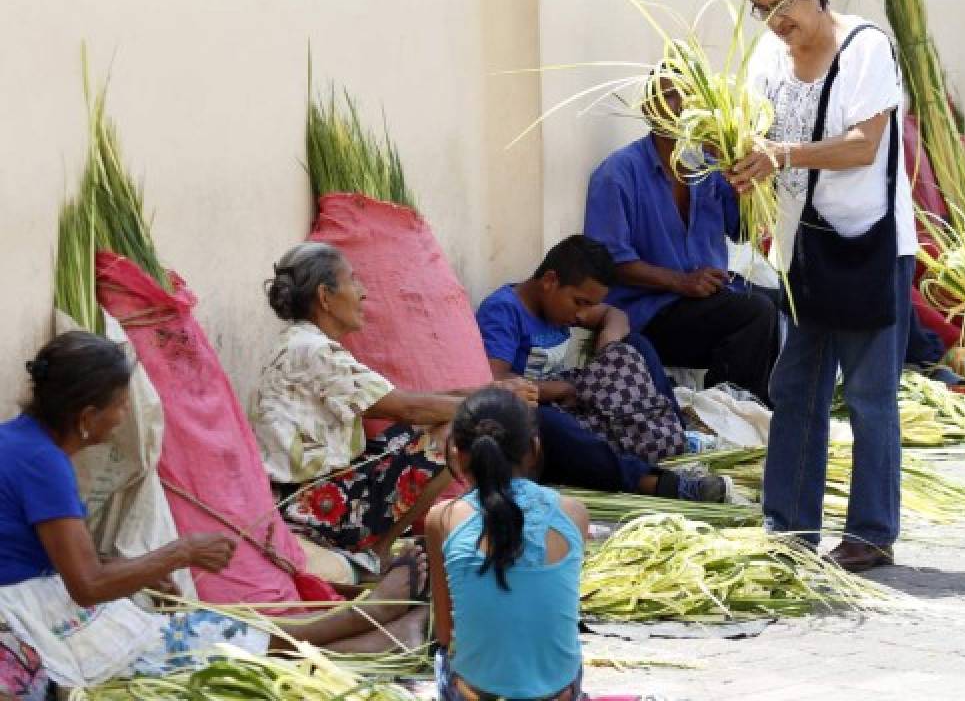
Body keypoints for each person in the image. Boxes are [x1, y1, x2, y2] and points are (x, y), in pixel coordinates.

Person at [0, 332, 430, 691]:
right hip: (34, 610)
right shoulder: (43, 464)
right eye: (119, 403)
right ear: (87, 416)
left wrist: (143, 569)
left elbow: (58, 555)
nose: (124, 414)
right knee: (230, 644)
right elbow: (87, 584)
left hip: (41, 592)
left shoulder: (22, 441)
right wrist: (179, 553)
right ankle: (390, 627)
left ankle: (386, 620)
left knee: (218, 632)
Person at [732, 0, 918, 572]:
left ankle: (871, 533)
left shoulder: (867, 48)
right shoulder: (768, 55)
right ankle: (788, 530)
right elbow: (753, 128)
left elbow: (864, 145)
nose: (775, 25)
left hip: (870, 248)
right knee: (796, 389)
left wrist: (784, 155)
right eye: (762, 13)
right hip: (800, 250)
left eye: (781, 8)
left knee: (869, 397)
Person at [250, 242, 535, 573]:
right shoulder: (314, 351)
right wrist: (494, 404)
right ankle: (377, 552)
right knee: (452, 432)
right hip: (309, 504)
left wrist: (490, 391)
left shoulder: (304, 342)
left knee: (438, 420)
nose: (363, 292)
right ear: (325, 297)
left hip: (315, 488)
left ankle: (375, 550)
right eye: (353, 281)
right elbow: (408, 408)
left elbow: (407, 401)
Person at [476, 234, 727, 502]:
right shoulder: (504, 310)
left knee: (634, 344)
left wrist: (608, 345)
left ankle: (673, 432)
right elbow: (494, 380)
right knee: (546, 422)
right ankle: (654, 483)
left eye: (589, 305)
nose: (582, 314)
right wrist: (557, 390)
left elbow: (615, 315)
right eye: (580, 302)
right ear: (550, 281)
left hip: (573, 399)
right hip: (536, 412)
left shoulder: (564, 305)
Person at [583, 70, 780, 406]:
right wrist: (680, 282)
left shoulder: (705, 163)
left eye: (690, 96)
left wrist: (747, 178)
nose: (682, 105)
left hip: (705, 298)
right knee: (754, 313)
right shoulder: (617, 173)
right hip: (648, 311)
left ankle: (754, 407)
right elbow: (608, 263)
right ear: (649, 108)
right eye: (670, 95)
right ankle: (727, 411)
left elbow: (742, 231)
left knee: (784, 302)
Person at [426, 388, 587, 701]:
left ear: (457, 453)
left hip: (476, 694)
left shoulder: (443, 518)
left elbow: (444, 634)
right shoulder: (574, 513)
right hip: (559, 693)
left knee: (446, 658)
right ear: (534, 448)